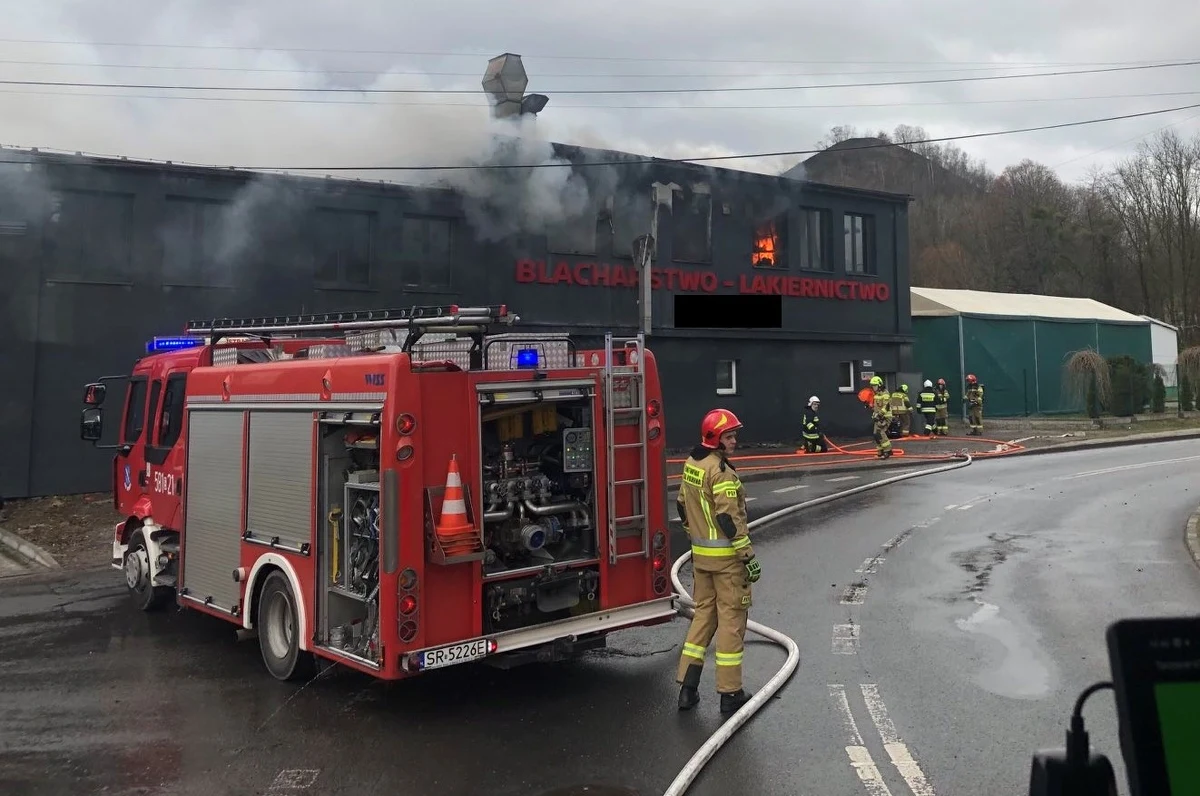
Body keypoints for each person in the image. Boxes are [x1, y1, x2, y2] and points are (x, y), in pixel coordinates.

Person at [676, 408, 760, 716]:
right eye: (730, 435)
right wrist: (747, 556)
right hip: (727, 562)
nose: (735, 440)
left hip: (701, 560)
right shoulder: (720, 471)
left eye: (735, 434)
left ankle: (687, 689)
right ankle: (730, 692)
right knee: (731, 624)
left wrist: (696, 535)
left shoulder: (691, 464)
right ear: (716, 438)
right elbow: (728, 518)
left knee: (702, 620)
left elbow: (682, 506)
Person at [869, 376, 893, 458]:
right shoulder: (876, 395)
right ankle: (881, 450)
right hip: (878, 417)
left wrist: (879, 415)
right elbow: (876, 407)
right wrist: (869, 406)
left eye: (875, 385)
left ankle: (888, 450)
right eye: (872, 386)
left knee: (881, 432)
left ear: (879, 385)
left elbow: (886, 406)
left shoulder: (885, 394)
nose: (873, 387)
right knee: (875, 434)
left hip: (885, 416)